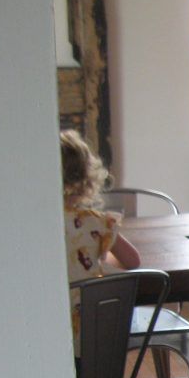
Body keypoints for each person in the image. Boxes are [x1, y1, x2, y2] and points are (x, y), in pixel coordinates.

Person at [61, 129, 140, 351]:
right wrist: (101, 258)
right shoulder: (96, 223)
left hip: (48, 325)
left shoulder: (41, 226)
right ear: (88, 177)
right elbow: (132, 261)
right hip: (91, 329)